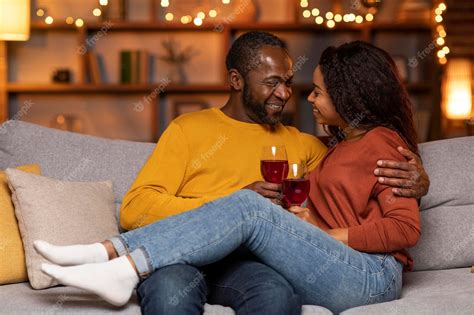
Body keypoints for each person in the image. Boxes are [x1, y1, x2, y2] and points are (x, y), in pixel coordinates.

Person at [36, 40, 424, 314]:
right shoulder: (190, 129)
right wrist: (237, 206)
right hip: (184, 256)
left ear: (347, 97)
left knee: (269, 276)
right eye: (273, 82)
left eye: (300, 85)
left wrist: (420, 184)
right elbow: (135, 209)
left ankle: (110, 257)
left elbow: (395, 214)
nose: (292, 94)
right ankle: (114, 260)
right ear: (237, 80)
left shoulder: (330, 144)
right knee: (184, 281)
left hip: (304, 267)